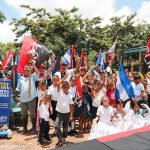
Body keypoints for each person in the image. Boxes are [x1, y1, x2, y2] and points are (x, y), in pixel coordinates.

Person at [15, 60, 40, 134]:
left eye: (28, 70)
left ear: (30, 70)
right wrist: (16, 96)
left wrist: (33, 64)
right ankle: (25, 129)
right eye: (25, 70)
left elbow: (38, 73)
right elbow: (17, 89)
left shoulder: (32, 77)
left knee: (33, 114)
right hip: (23, 100)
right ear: (23, 71)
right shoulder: (20, 79)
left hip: (31, 99)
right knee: (24, 115)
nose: (26, 71)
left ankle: (34, 129)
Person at [55, 81, 74, 147]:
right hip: (60, 113)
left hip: (67, 113)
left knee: (65, 128)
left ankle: (63, 139)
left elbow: (71, 106)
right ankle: (60, 139)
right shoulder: (59, 92)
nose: (66, 88)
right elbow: (57, 84)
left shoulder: (70, 95)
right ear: (62, 87)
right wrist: (64, 78)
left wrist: (71, 115)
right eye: (64, 87)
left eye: (67, 87)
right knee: (57, 126)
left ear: (69, 88)